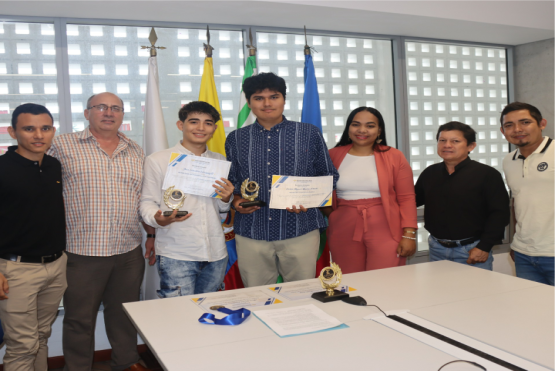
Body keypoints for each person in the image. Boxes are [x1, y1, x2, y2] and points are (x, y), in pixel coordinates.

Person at [48, 93, 151, 371]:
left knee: (124, 314)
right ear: (87, 112)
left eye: (115, 108)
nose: (109, 112)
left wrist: (151, 235)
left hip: (127, 251)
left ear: (122, 114)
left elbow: (144, 199)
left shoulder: (136, 150)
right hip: (82, 252)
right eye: (101, 107)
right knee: (79, 319)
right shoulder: (62, 144)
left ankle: (127, 361)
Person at [225, 72, 339, 287]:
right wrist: (236, 201)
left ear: (284, 100)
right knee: (257, 295)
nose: (267, 103)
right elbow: (233, 182)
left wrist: (310, 199)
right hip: (252, 231)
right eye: (258, 98)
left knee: (301, 293)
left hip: (300, 229)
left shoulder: (308, 133)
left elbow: (328, 175)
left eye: (274, 97)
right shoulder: (236, 138)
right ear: (249, 102)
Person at [140, 101, 234, 297]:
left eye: (208, 123)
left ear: (215, 128)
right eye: (194, 122)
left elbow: (222, 210)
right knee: (180, 316)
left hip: (216, 253)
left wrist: (226, 198)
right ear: (180, 125)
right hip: (177, 253)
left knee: (209, 312)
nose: (201, 128)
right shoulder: (158, 160)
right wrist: (158, 219)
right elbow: (147, 202)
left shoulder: (220, 161)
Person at [0, 103, 67, 371]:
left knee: (40, 336)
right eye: (29, 129)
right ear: (12, 132)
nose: (38, 135)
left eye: (45, 128)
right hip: (16, 270)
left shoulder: (53, 166)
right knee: (22, 345)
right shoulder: (2, 169)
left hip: (55, 266)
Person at [325, 107, 417, 273]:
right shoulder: (332, 155)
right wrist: (332, 215)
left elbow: (407, 198)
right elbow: (320, 191)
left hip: (386, 225)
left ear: (379, 130)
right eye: (356, 124)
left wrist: (409, 234)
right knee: (349, 279)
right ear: (348, 128)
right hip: (343, 226)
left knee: (385, 278)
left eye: (370, 125)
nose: (362, 130)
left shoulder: (394, 156)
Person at [415, 121, 509, 270]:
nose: (447, 145)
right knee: (440, 292)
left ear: (471, 146)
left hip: (472, 249)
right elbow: (412, 200)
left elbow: (500, 214)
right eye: (442, 140)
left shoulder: (487, 174)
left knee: (476, 293)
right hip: (436, 248)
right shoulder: (430, 173)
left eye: (455, 141)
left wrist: (484, 247)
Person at [500, 102, 555, 285]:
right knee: (533, 311)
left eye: (525, 122)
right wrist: (516, 243)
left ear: (542, 124)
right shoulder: (509, 161)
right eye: (509, 125)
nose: (517, 129)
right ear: (503, 131)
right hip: (524, 254)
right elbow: (517, 202)